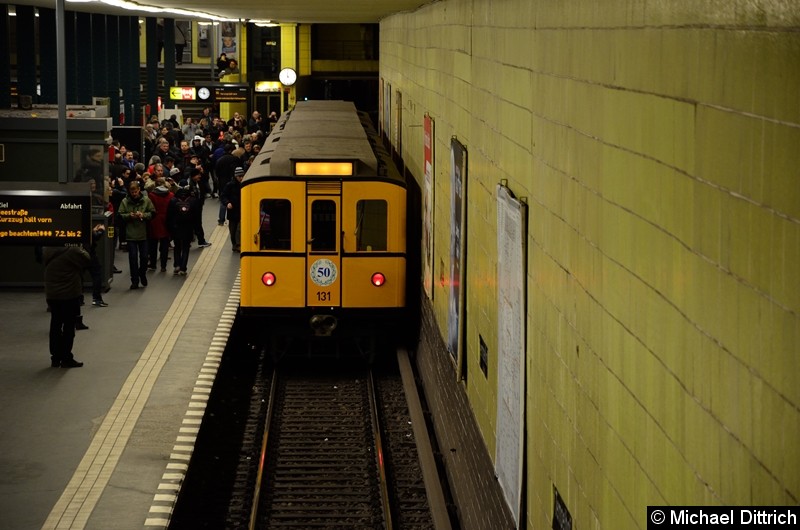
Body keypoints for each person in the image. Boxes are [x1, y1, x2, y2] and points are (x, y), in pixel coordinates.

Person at [43, 244, 91, 368]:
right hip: (69, 293)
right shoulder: (73, 250)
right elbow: (86, 258)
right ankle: (66, 358)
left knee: (55, 324)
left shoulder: (47, 248)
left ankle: (55, 358)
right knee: (69, 327)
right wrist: (80, 246)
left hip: (52, 293)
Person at [118, 181, 156, 289]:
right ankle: (134, 280)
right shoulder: (125, 201)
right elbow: (120, 215)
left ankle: (142, 273)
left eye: (135, 191)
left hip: (143, 234)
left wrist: (143, 215)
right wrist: (129, 216)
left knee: (144, 257)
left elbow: (153, 213)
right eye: (132, 192)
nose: (134, 194)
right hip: (131, 234)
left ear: (139, 190)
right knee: (132, 258)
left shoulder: (146, 200)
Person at [167, 184, 199, 276]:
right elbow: (196, 216)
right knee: (185, 247)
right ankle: (183, 268)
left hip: (176, 227)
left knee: (177, 246)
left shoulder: (173, 200)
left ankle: (177, 265)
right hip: (188, 228)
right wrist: (196, 229)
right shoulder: (193, 201)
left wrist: (170, 228)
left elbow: (169, 216)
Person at [147, 178, 174, 272]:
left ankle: (153, 264)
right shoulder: (170, 195)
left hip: (154, 221)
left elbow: (150, 208)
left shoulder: (151, 195)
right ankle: (163, 266)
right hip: (167, 220)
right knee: (165, 244)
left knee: (153, 244)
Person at [221, 166, 244, 251]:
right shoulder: (230, 185)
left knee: (239, 229)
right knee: (233, 230)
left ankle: (238, 244)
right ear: (235, 176)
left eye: (242, 176)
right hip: (233, 211)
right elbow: (223, 196)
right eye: (239, 176)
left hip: (241, 211)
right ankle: (234, 244)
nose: (241, 178)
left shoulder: (245, 184)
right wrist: (227, 203)